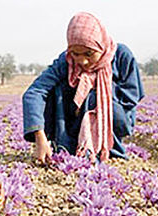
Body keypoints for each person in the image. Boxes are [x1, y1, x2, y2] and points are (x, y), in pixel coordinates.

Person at [22, 12, 144, 163]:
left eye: (89, 53)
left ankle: (103, 149)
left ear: (100, 45)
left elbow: (130, 98)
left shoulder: (121, 56)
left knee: (94, 94)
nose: (82, 61)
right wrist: (39, 135)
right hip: (75, 120)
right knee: (56, 88)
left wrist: (91, 95)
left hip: (114, 119)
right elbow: (35, 92)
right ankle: (64, 145)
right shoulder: (66, 60)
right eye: (75, 53)